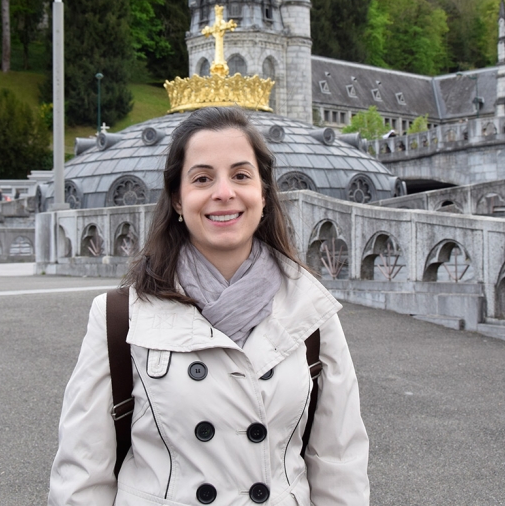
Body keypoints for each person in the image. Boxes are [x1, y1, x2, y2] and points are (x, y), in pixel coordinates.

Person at [49, 107, 369, 505]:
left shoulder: (311, 310)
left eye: (241, 176)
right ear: (177, 199)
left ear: (263, 194)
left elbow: (340, 462)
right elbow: (82, 474)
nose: (224, 193)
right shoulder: (119, 316)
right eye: (202, 178)